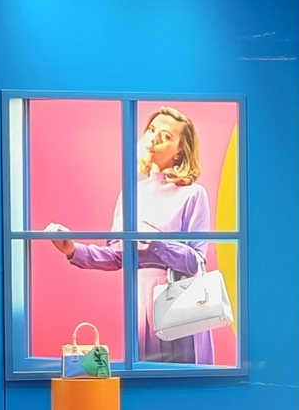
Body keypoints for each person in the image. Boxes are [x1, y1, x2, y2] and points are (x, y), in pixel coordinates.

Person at [48, 106, 220, 365]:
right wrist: (73, 249)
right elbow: (117, 256)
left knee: (182, 381)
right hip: (139, 301)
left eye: (165, 136)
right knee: (144, 379)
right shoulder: (130, 192)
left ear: (180, 151)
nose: (153, 138)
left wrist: (158, 243)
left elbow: (197, 262)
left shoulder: (193, 194)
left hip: (180, 300)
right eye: (151, 130)